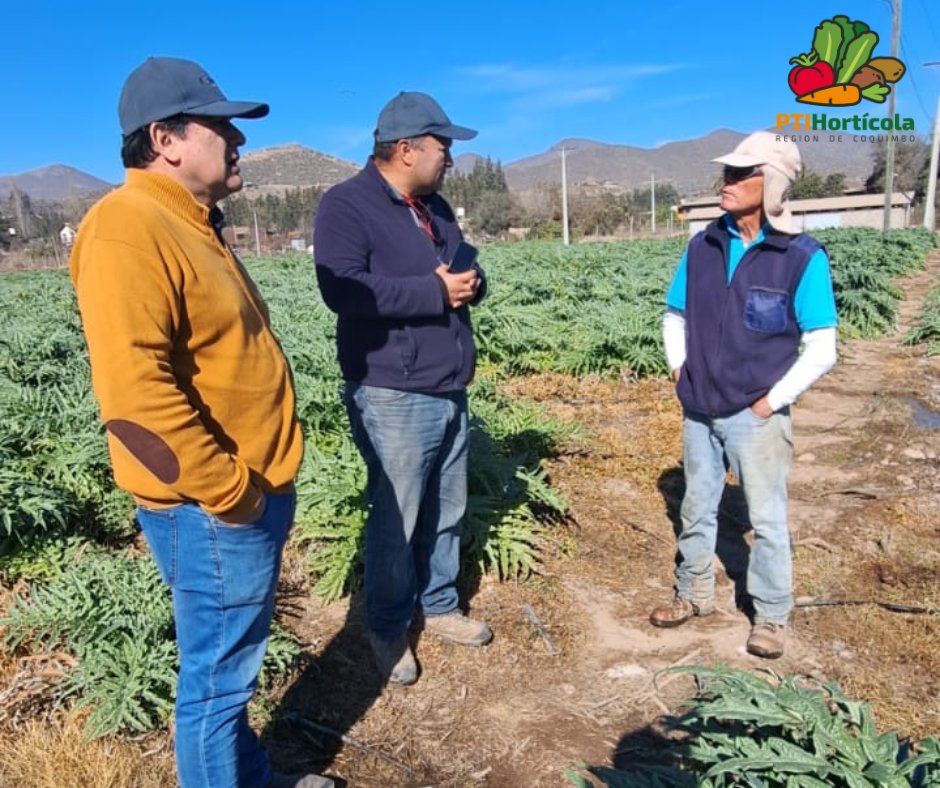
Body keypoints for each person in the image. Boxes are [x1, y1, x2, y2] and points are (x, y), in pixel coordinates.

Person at [70, 57, 332, 788]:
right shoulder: (127, 228)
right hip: (211, 505)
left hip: (238, 495)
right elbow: (135, 399)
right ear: (165, 139)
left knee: (229, 676)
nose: (238, 141)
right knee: (216, 688)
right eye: (221, 127)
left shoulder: (187, 223)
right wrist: (231, 492)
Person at [313, 91, 492, 686]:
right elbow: (344, 290)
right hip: (393, 391)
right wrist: (434, 292)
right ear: (407, 149)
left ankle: (439, 605)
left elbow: (461, 268)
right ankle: (388, 627)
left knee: (447, 508)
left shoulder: (434, 207)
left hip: (448, 383)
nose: (451, 158)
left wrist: (472, 283)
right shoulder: (346, 206)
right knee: (398, 519)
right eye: (444, 147)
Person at [650, 131, 838, 659]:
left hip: (756, 415)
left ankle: (771, 616)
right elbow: (675, 314)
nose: (725, 182)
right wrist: (679, 369)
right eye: (726, 173)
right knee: (696, 505)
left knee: (767, 519)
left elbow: (822, 346)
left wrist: (771, 401)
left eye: (740, 174)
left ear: (771, 183)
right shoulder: (703, 246)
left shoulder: (800, 256)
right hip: (699, 406)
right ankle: (694, 593)